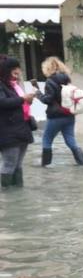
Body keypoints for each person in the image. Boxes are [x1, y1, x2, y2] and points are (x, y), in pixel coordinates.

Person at [37, 56, 83, 167]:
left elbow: (48, 99)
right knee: (70, 140)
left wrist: (38, 94)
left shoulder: (50, 81)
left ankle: (45, 166)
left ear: (48, 68)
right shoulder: (67, 79)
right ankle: (82, 163)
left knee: (47, 140)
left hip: (56, 116)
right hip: (69, 115)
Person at [0, 55, 34, 189]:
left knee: (18, 165)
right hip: (8, 131)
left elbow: (18, 103)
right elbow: (2, 102)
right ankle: (7, 194)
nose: (18, 71)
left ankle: (18, 194)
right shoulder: (2, 85)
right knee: (9, 164)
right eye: (14, 68)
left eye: (18, 68)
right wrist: (23, 99)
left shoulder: (14, 85)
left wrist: (27, 100)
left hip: (21, 129)